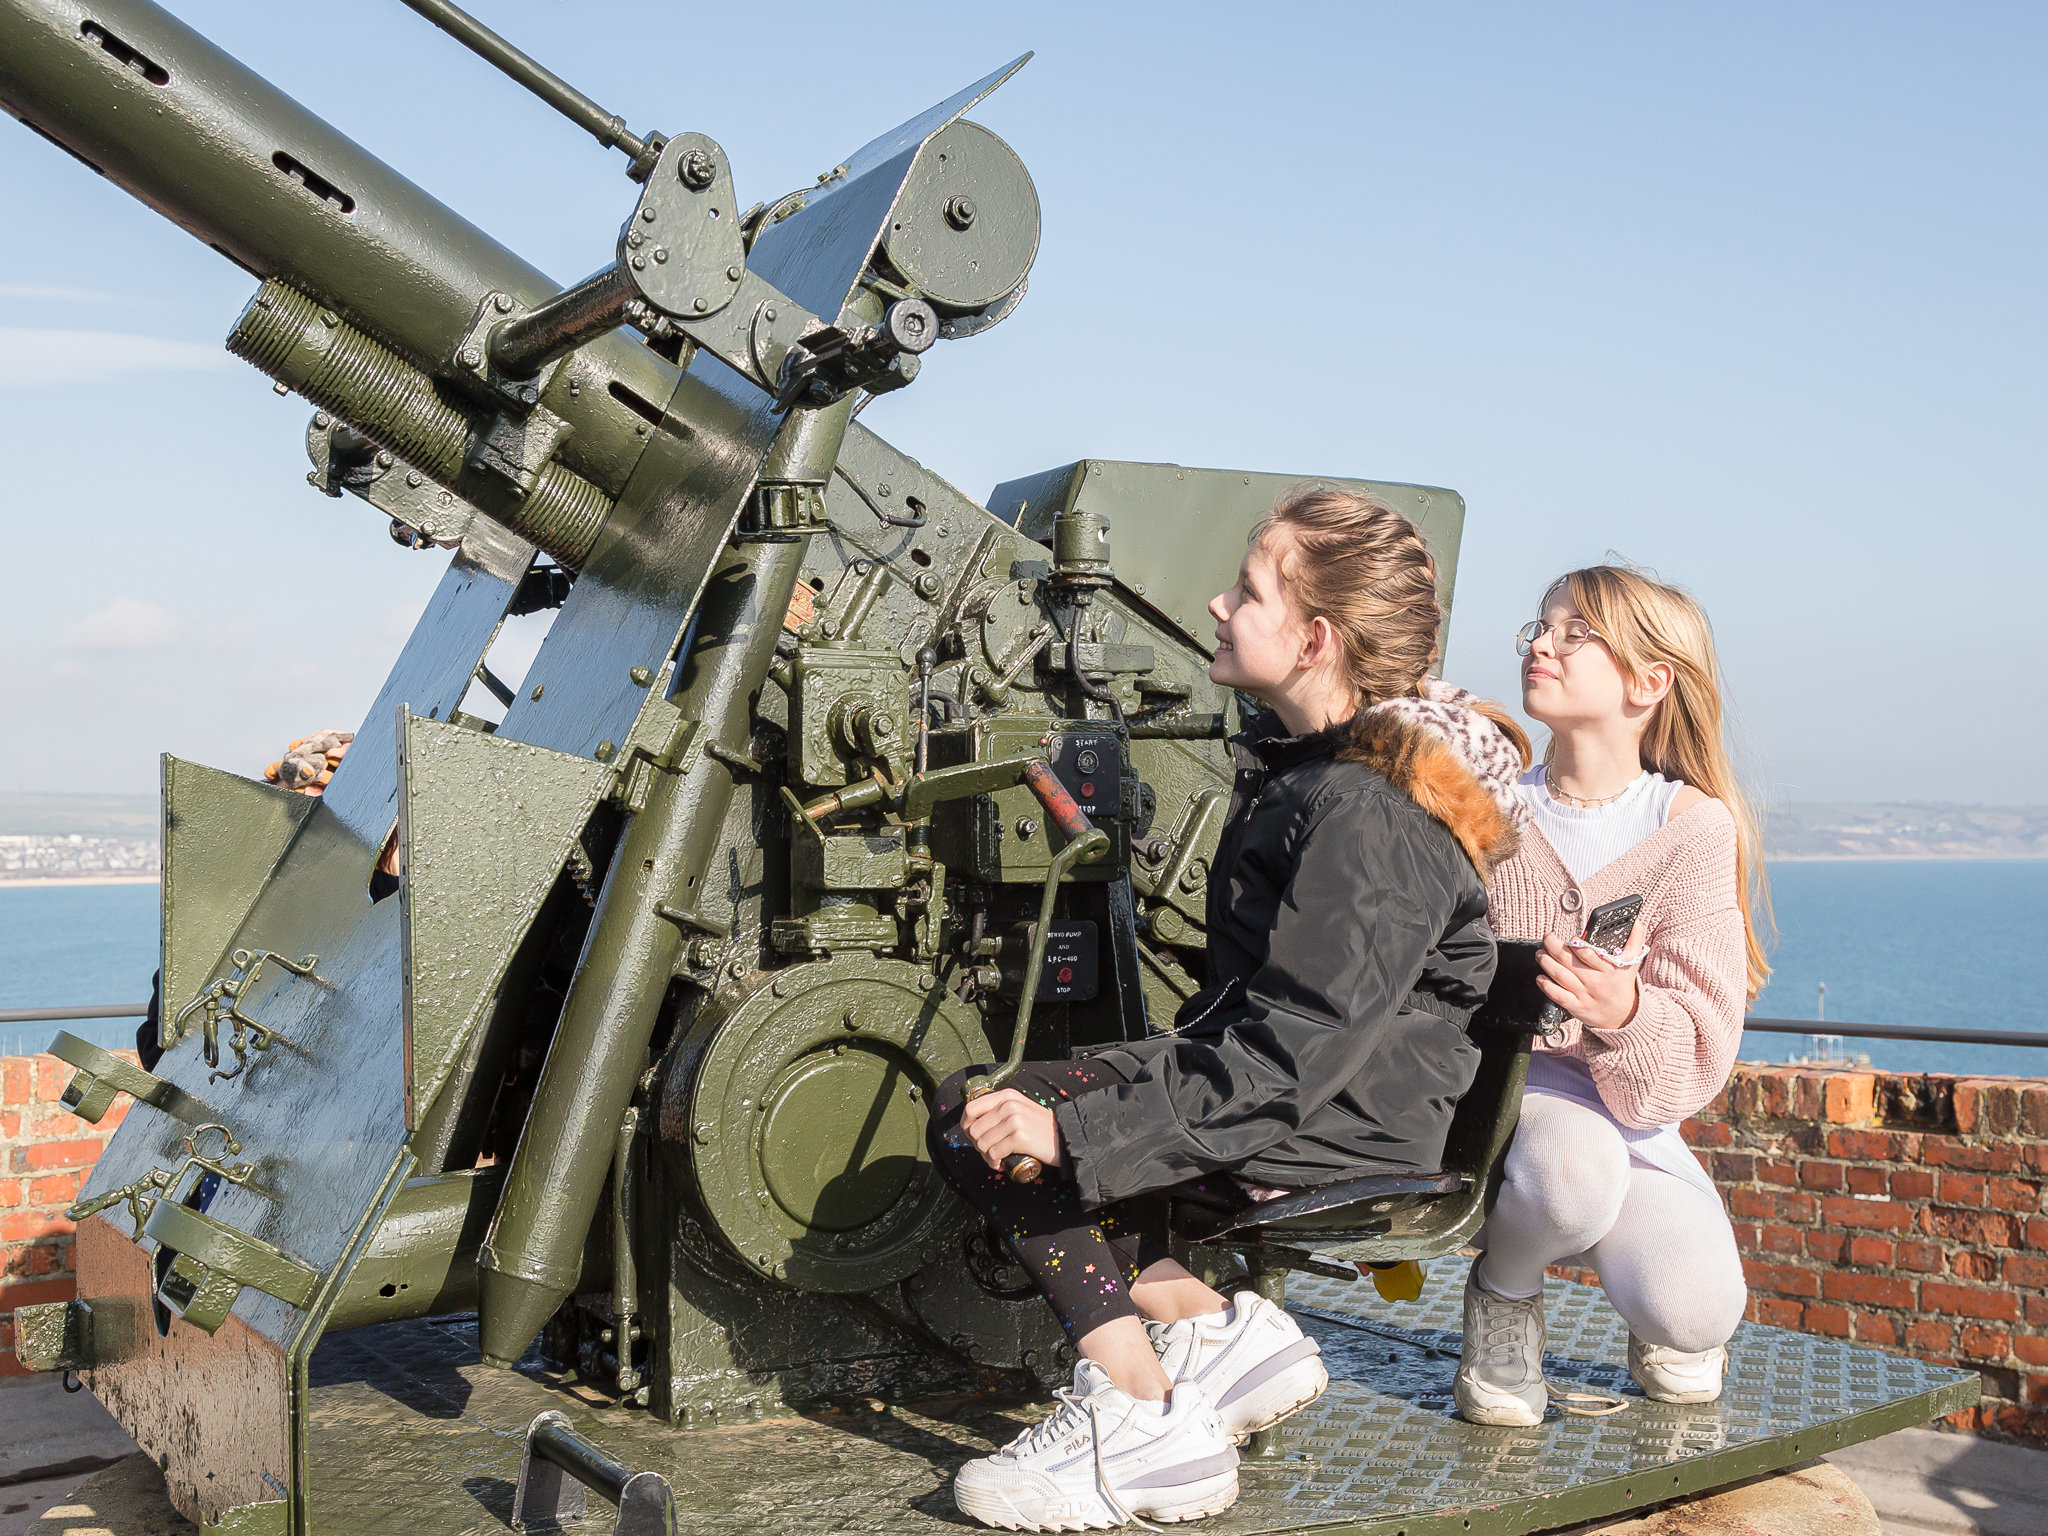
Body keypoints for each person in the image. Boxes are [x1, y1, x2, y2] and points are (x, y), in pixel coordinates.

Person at [931, 487, 1525, 1530]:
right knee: (992, 1108)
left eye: (1245, 591)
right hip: (1297, 1097)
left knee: (1004, 1132)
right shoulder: (1318, 778)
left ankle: (1144, 1419)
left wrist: (1081, 1132)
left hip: (1333, 1129)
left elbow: (1296, 1051)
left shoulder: (1367, 814)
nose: (1214, 603)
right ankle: (1204, 1333)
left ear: (1311, 640)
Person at [1453, 564, 1767, 1427]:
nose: (1541, 644)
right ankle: (1504, 1293)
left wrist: (1625, 1014)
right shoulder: (1482, 805)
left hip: (1634, 1114)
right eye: (1540, 627)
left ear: (1649, 681)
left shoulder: (1692, 827)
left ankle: (1632, 1278)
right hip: (1508, 1100)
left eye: (1575, 631)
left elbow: (1701, 1042)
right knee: (1571, 1172)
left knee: (1700, 1317)